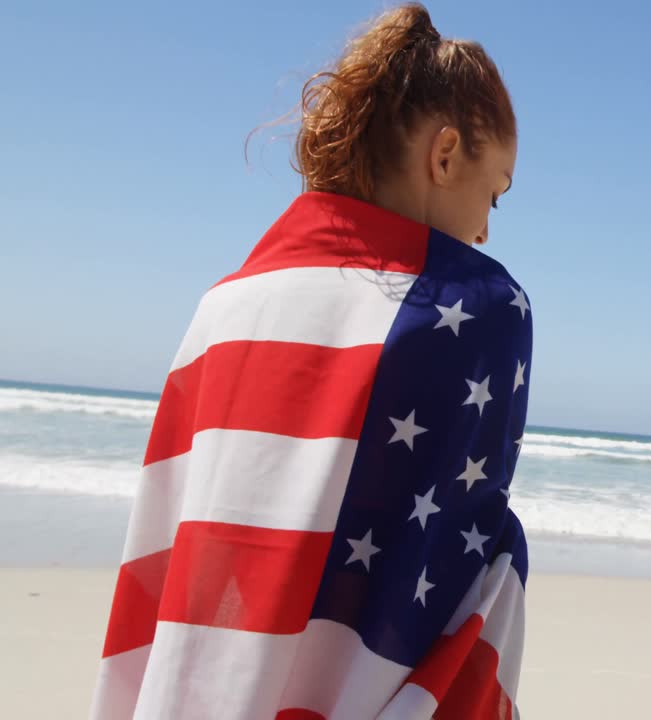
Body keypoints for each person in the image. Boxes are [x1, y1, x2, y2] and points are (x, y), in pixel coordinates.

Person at [90, 5, 530, 718]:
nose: (484, 226)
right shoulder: (481, 308)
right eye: (496, 192)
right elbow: (456, 567)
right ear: (445, 154)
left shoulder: (224, 307)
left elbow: (175, 549)